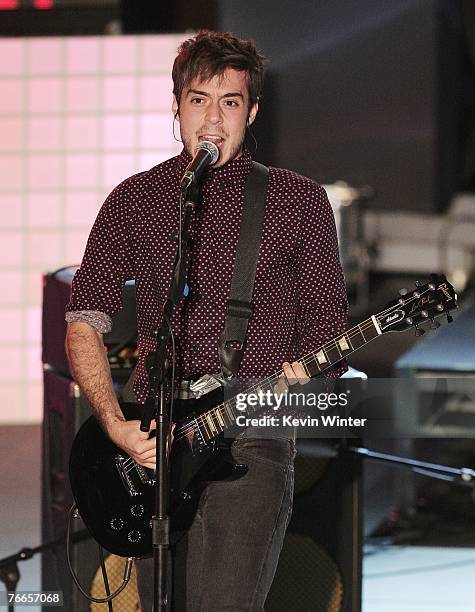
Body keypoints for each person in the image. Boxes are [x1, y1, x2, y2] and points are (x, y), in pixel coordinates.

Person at [65, 30, 347, 611]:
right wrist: (117, 426)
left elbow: (330, 334)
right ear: (176, 106)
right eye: (199, 100)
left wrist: (305, 376)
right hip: (154, 443)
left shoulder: (298, 202)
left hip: (252, 437)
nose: (213, 119)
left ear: (253, 111)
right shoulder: (136, 199)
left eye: (230, 102)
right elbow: (84, 322)